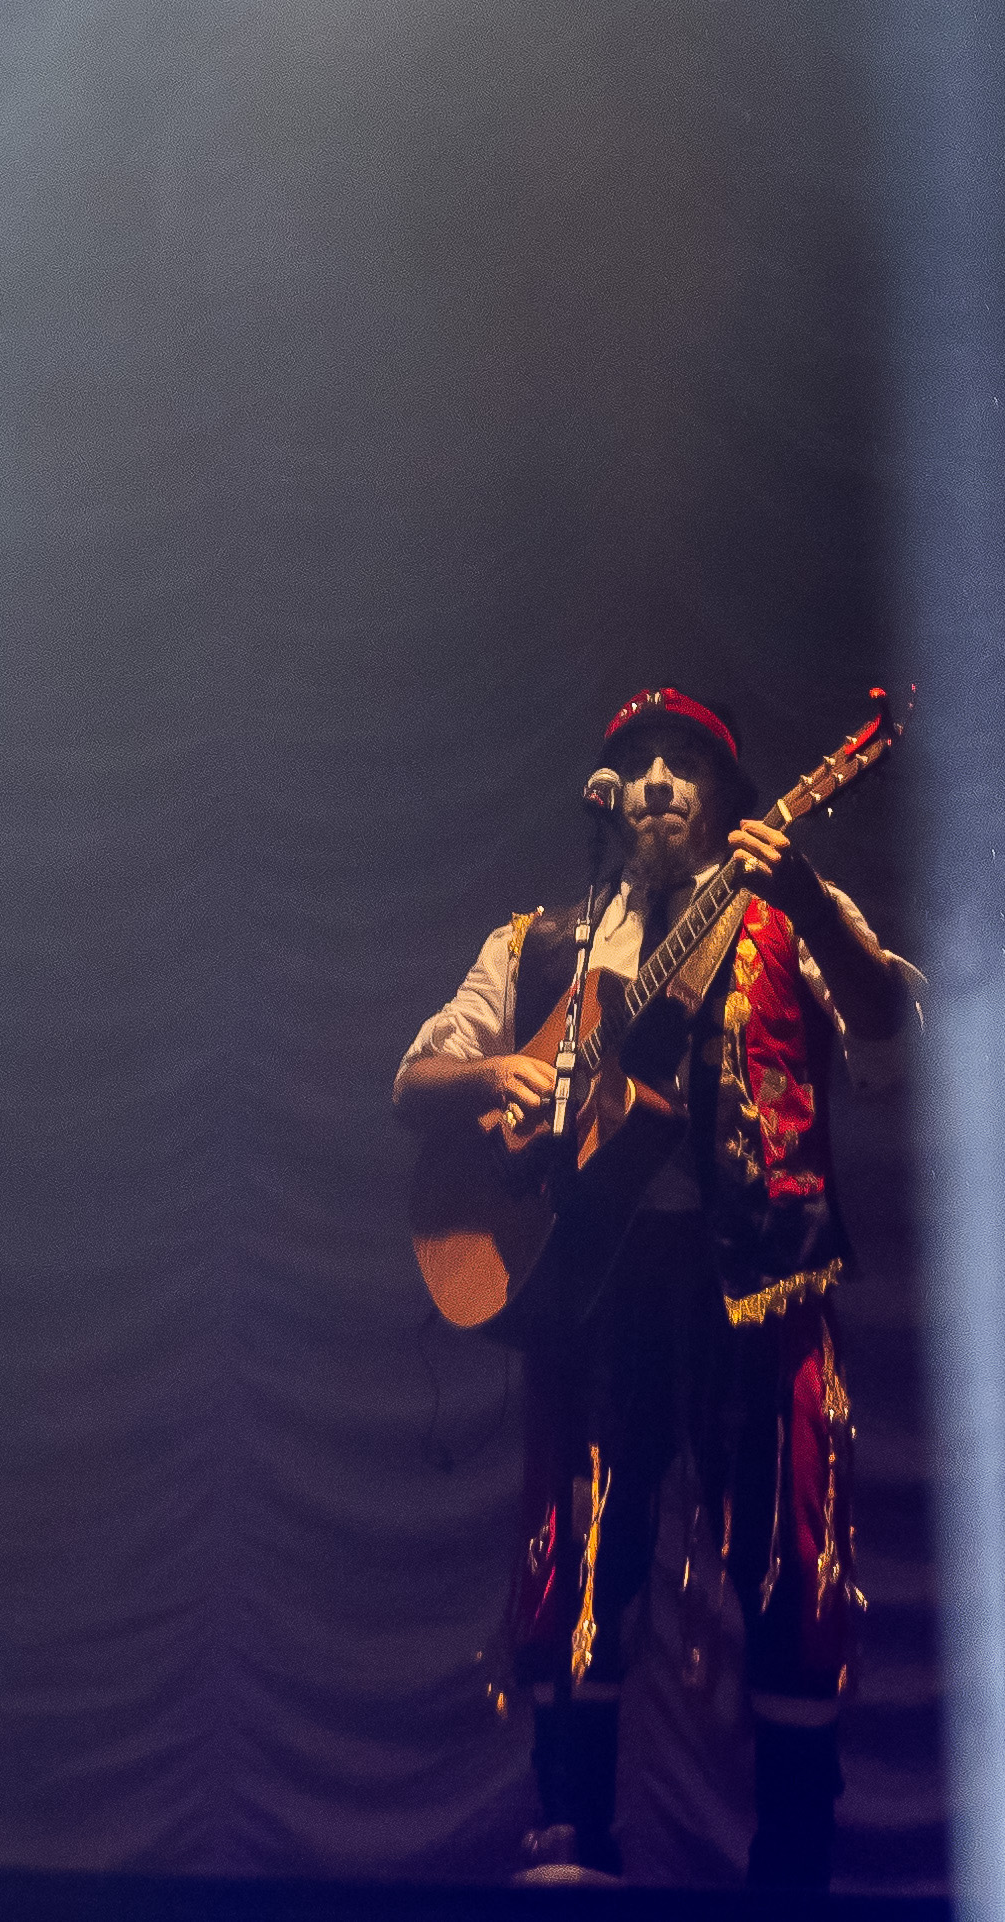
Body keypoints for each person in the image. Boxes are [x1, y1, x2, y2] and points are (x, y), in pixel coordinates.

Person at [396, 691, 921, 1892]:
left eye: (689, 765)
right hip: (592, 1281)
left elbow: (888, 1016)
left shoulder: (784, 906)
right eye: (638, 766)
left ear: (730, 799)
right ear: (610, 797)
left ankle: (792, 1870)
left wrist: (804, 906)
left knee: (791, 1565)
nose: (663, 783)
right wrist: (518, 1075)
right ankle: (571, 1843)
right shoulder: (541, 947)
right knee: (581, 1555)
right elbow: (413, 1083)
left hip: (760, 1277)